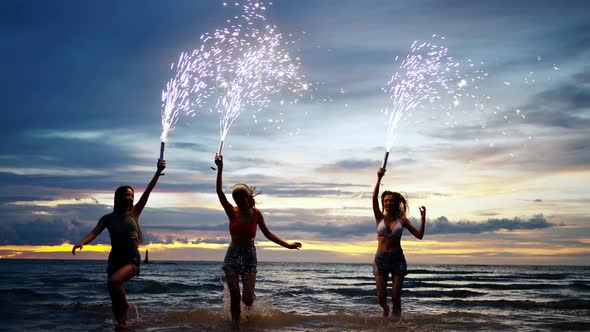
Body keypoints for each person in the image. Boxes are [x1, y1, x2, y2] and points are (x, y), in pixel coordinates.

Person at [72, 159, 166, 326]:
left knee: (114, 282)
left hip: (132, 259)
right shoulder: (108, 218)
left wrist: (158, 173)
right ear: (118, 198)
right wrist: (82, 243)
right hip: (114, 259)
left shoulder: (135, 212)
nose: (130, 197)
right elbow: (95, 231)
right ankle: (121, 324)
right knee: (113, 292)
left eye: (131, 195)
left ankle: (126, 307)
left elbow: (148, 191)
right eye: (126, 195)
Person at [215, 154, 301, 329]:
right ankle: (236, 326)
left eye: (241, 197)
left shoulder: (256, 214)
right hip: (232, 256)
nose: (238, 200)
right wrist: (220, 169)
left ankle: (249, 316)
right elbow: (219, 192)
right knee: (234, 296)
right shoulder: (232, 211)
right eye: (235, 198)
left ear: (248, 198)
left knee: (247, 298)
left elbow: (268, 234)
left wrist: (288, 245)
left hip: (249, 256)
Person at [372, 166, 425, 319]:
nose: (388, 203)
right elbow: (373, 198)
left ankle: (397, 325)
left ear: (397, 203)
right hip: (380, 259)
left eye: (391, 201)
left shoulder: (403, 220)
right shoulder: (379, 217)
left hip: (397, 260)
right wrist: (379, 178)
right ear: (383, 203)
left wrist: (423, 219)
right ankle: (385, 309)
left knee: (396, 297)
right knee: (381, 298)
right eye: (386, 201)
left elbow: (419, 235)